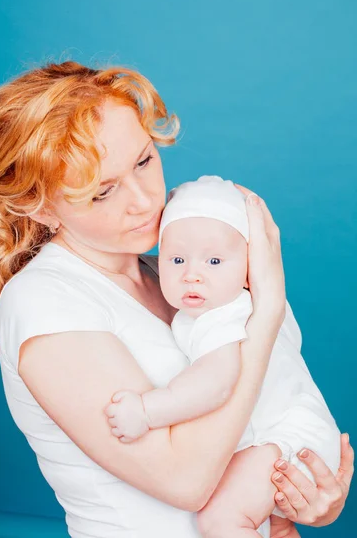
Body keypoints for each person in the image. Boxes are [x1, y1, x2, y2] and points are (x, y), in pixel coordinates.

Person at [0, 61, 353, 538]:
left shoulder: (170, 272)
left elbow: (267, 410)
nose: (144, 200)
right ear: (37, 205)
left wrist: (304, 491)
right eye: (103, 192)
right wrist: (265, 313)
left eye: (144, 161)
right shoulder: (44, 302)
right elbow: (186, 481)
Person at [104, 175, 341, 537]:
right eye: (177, 259)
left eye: (214, 261)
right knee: (270, 525)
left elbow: (216, 382)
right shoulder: (251, 304)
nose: (192, 276)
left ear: (248, 269)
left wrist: (147, 411)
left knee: (221, 520)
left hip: (288, 438)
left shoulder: (223, 316)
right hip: (291, 432)